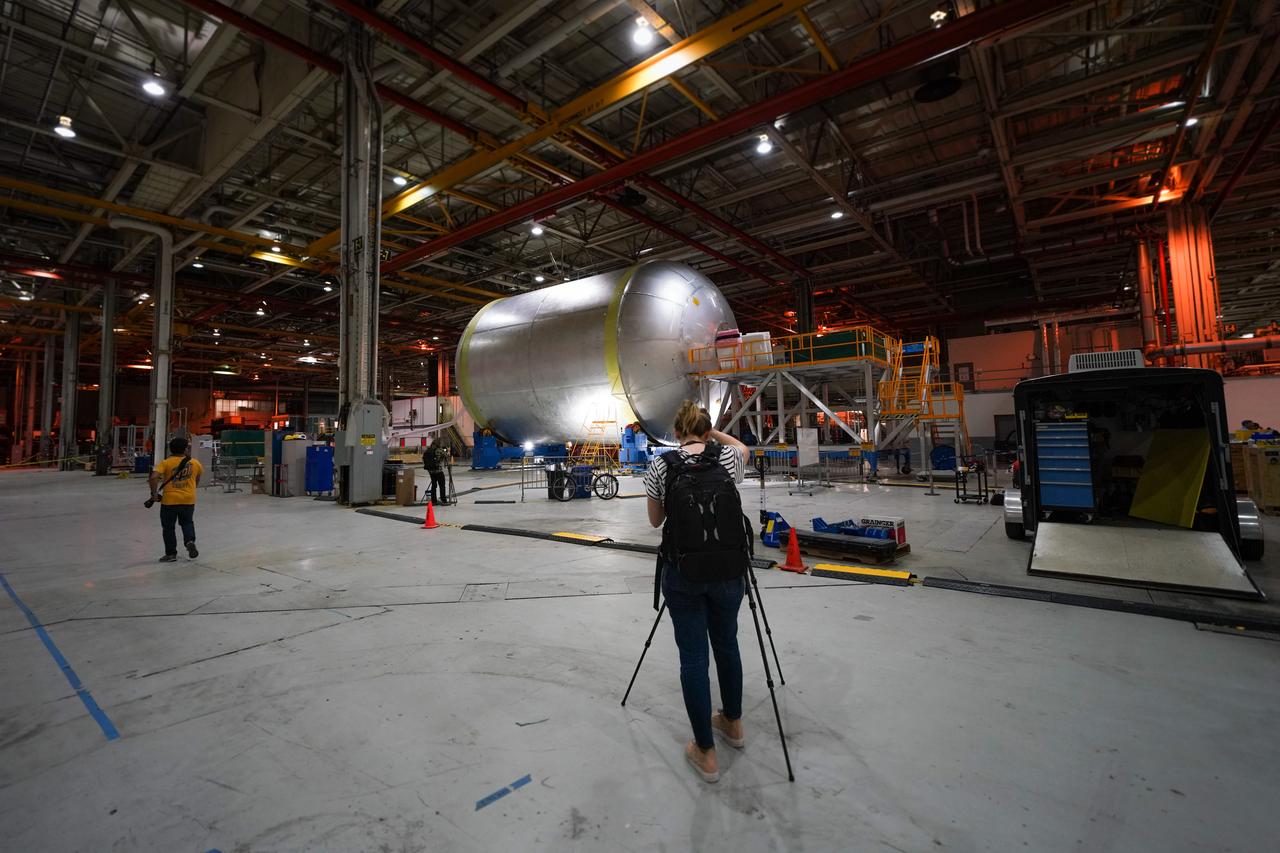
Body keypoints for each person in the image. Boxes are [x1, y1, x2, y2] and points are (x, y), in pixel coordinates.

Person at [644, 401, 750, 783]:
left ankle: (705, 753)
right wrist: (712, 434)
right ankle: (733, 725)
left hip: (684, 574)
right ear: (707, 432)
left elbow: (656, 522)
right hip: (728, 572)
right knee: (727, 645)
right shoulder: (727, 460)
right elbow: (743, 448)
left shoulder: (661, 465)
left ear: (675, 433)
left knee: (693, 659)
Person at [148, 436, 204, 563]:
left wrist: (154, 493)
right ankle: (189, 541)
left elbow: (153, 477)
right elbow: (197, 479)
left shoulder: (166, 463)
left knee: (168, 528)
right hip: (188, 500)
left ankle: (171, 554)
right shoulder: (195, 463)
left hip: (169, 501)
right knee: (187, 523)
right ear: (185, 449)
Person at [423, 436, 451, 505]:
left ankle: (434, 501)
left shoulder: (428, 450)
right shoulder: (439, 450)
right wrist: (447, 450)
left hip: (431, 471)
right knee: (442, 485)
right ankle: (443, 500)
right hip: (438, 470)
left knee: (434, 485)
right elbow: (447, 455)